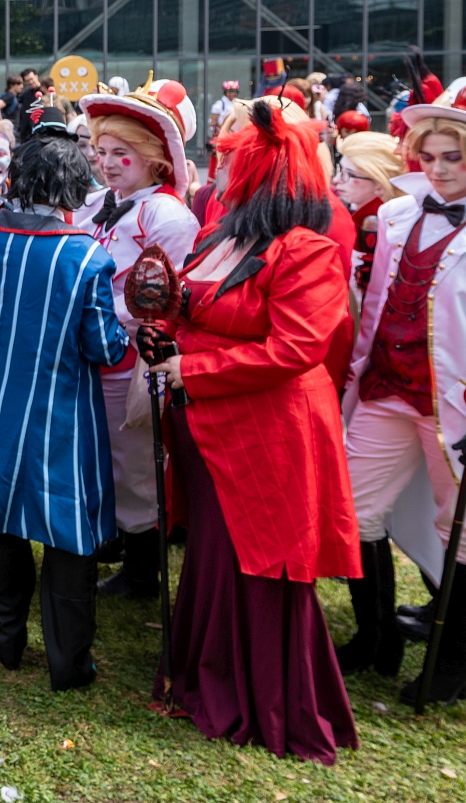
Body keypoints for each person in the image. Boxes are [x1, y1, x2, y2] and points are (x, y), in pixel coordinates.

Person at [151, 99, 361, 764]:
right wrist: (165, 331)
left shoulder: (308, 251)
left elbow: (294, 349)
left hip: (271, 431)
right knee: (213, 556)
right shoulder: (221, 239)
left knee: (256, 563)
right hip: (209, 422)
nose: (225, 174)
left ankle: (257, 696)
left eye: (237, 163)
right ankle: (206, 678)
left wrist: (193, 366)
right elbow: (196, 310)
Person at [336, 79, 466, 702]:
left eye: (452, 156)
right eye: (427, 155)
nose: (437, 168)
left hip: (460, 404)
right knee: (353, 508)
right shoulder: (397, 213)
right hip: (384, 388)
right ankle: (374, 637)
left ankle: (453, 660)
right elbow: (378, 303)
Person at [0, 124, 128, 689]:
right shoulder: (85, 258)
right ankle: (68, 665)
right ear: (73, 189)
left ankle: (5, 642)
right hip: (59, 413)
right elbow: (102, 346)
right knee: (67, 536)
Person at [73, 81, 200, 604]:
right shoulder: (102, 203)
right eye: (101, 152)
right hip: (91, 352)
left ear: (154, 161)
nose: (106, 163)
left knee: (137, 465)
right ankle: (119, 550)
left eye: (120, 154)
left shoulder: (167, 216)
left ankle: (143, 572)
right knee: (105, 457)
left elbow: (164, 298)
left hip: (131, 356)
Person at [331, 130, 404, 293]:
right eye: (338, 170)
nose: (336, 180)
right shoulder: (353, 219)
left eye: (347, 174)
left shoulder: (397, 232)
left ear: (379, 184)